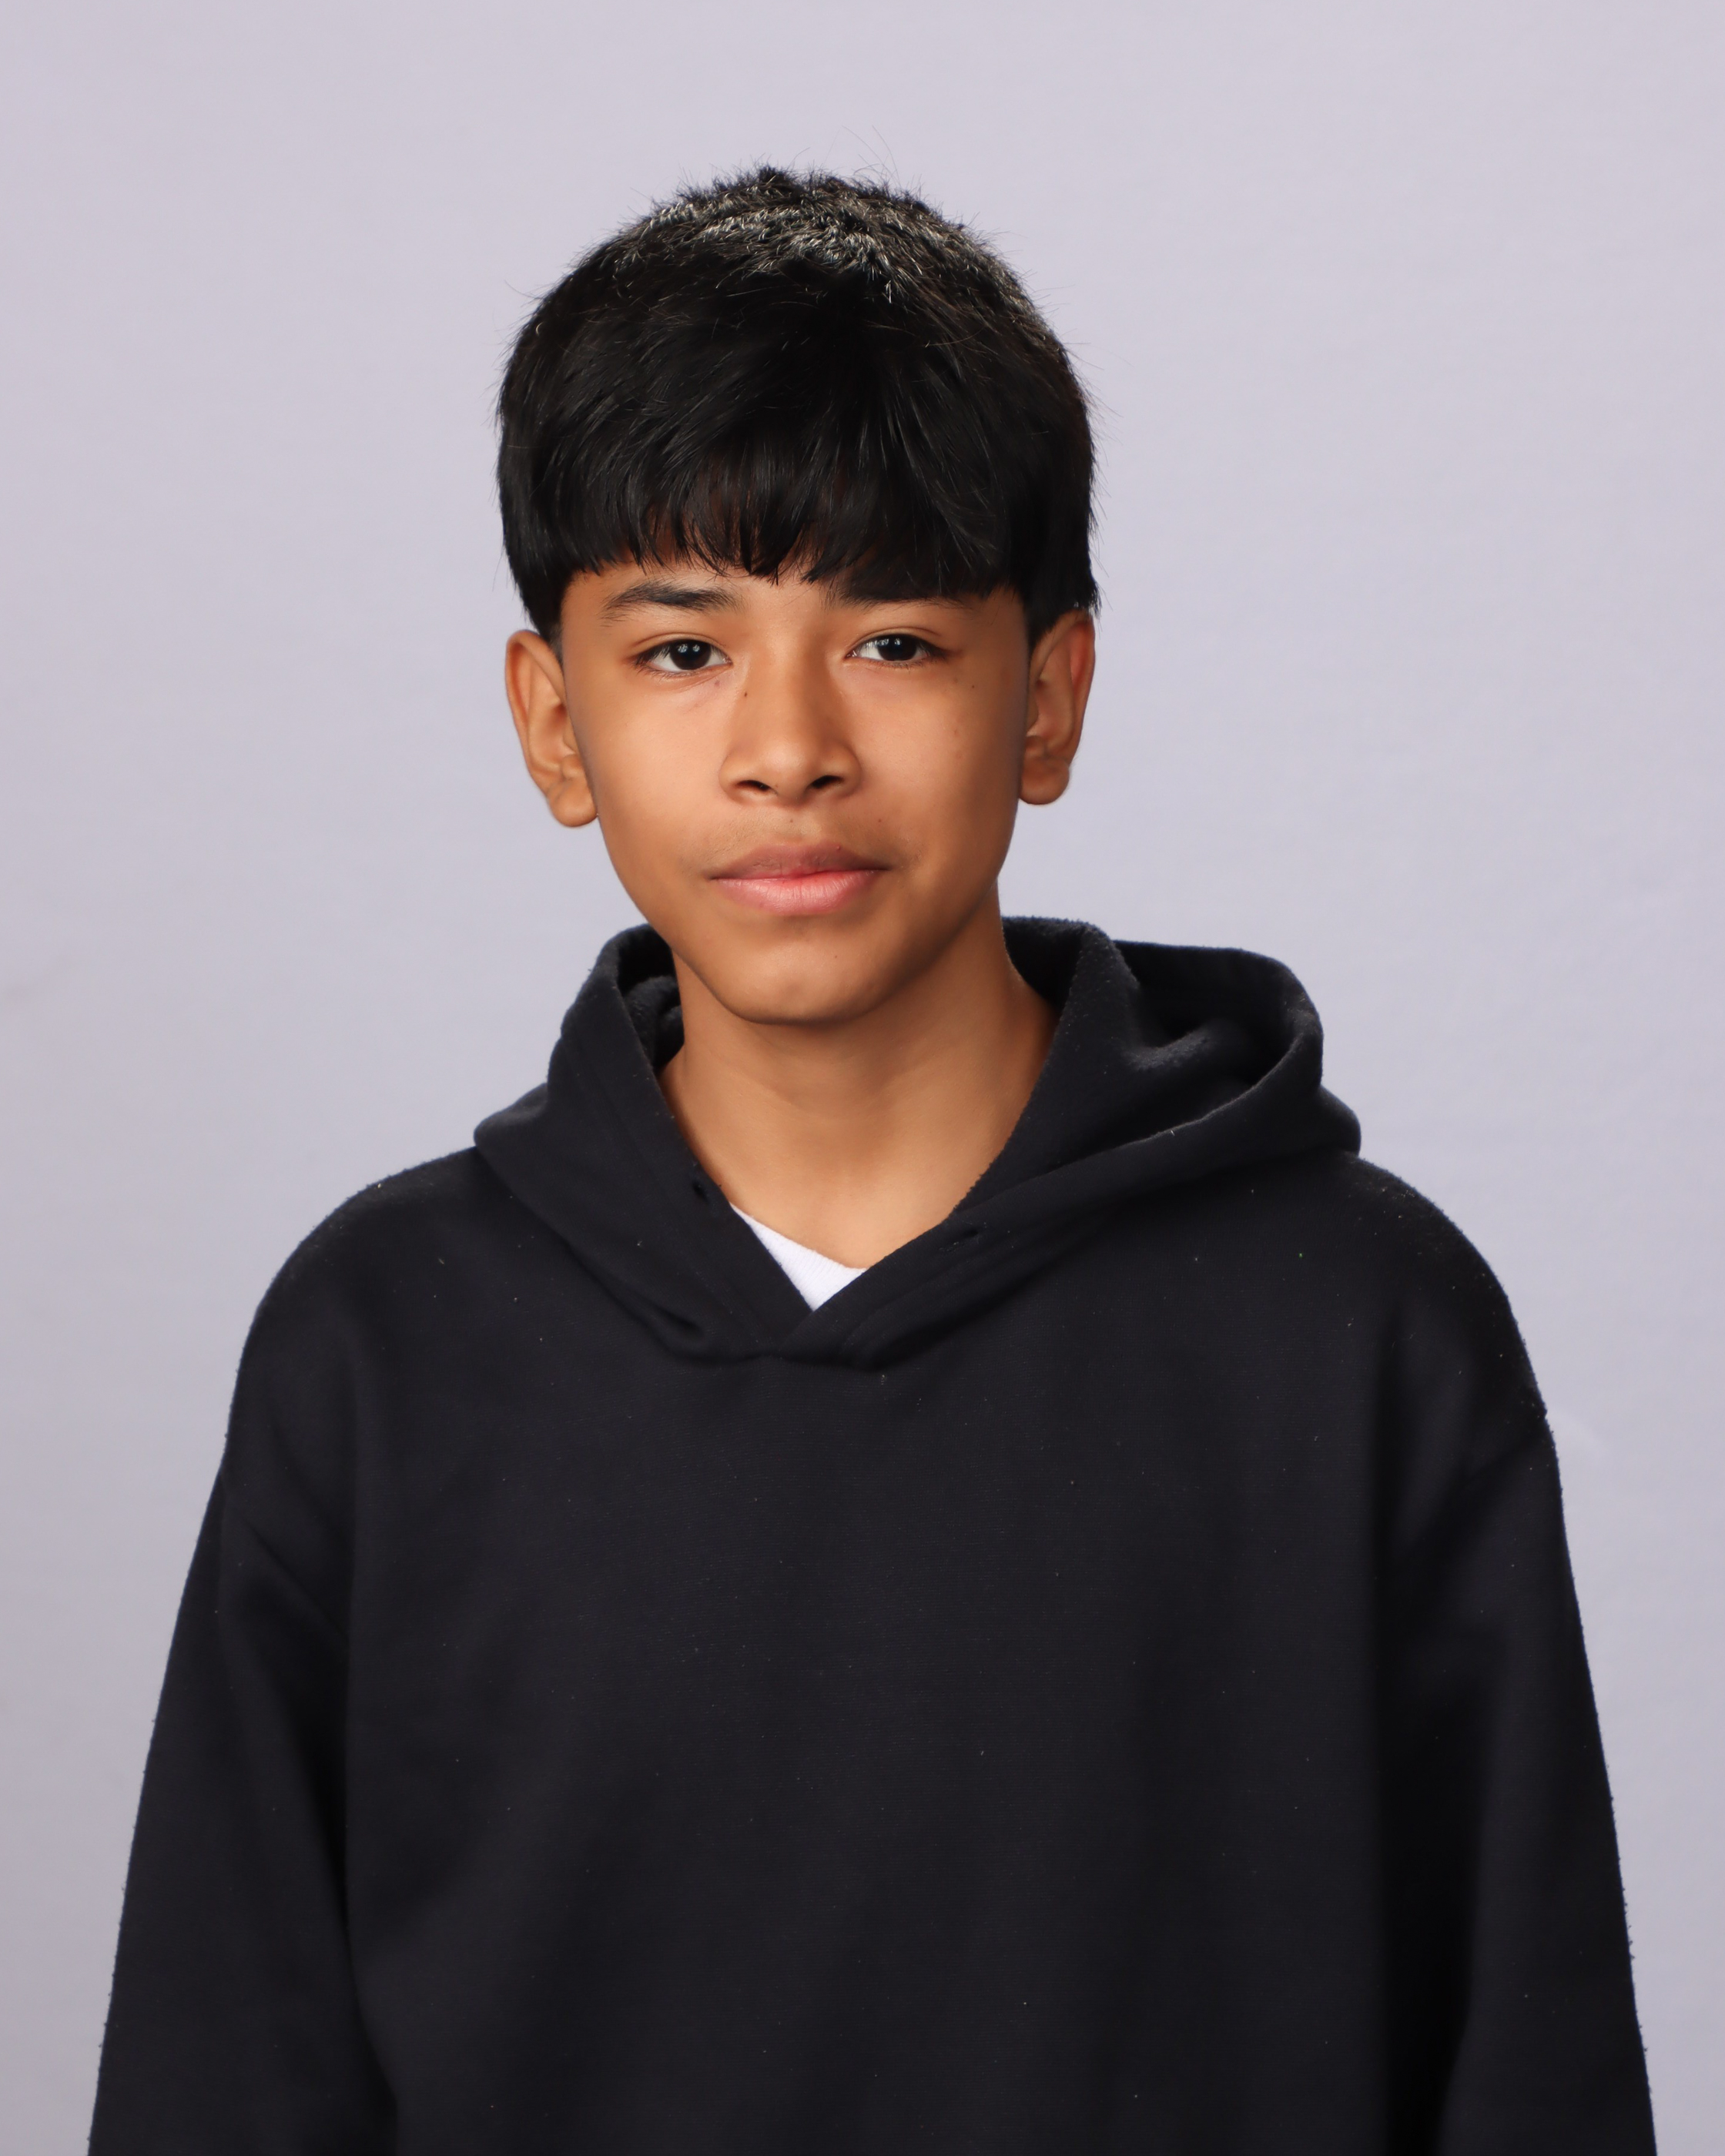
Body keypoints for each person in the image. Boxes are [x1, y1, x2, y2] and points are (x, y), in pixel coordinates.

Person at [89, 168, 1656, 2154]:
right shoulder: (385, 1348)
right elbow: (225, 2076)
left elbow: (1531, 2067)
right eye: (683, 650)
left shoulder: (1360, 1332)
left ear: (1050, 698)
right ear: (553, 723)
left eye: (896, 640)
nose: (789, 746)